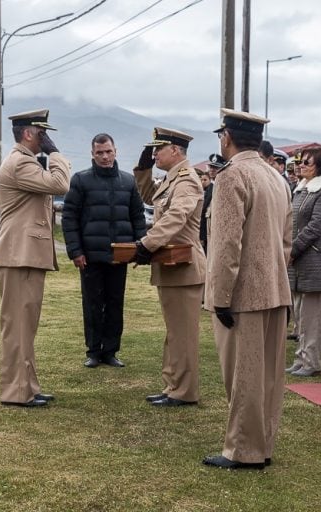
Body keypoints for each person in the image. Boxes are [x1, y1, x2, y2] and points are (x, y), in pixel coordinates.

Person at [203, 109, 292, 470]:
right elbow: (286, 242)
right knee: (268, 377)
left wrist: (220, 297)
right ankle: (262, 444)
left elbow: (226, 245)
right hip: (273, 288)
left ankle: (243, 449)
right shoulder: (275, 177)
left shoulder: (232, 176)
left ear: (226, 137)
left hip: (242, 294)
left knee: (243, 376)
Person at [0, 109, 71, 408]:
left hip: (24, 255)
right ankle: (16, 392)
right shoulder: (20, 162)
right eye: (42, 133)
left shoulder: (25, 162)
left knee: (26, 326)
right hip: (18, 256)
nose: (46, 139)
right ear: (28, 133)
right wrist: (57, 154)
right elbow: (60, 184)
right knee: (17, 327)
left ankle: (28, 386)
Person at [133, 127, 206, 407]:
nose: (154, 154)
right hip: (173, 266)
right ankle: (172, 384)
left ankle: (184, 391)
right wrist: (143, 169)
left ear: (175, 150)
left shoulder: (187, 181)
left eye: (157, 150)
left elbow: (175, 218)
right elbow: (149, 195)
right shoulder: (171, 179)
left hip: (185, 267)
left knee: (183, 334)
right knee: (174, 332)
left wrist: (146, 244)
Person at [62, 133, 146, 368]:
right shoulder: (80, 180)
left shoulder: (128, 182)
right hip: (90, 256)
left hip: (120, 256)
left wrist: (141, 248)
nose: (105, 156)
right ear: (93, 154)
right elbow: (69, 218)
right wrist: (75, 251)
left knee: (115, 303)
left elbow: (138, 217)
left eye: (108, 151)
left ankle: (110, 351)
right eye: (100, 152)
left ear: (115, 151)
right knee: (92, 304)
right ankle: (93, 351)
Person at [285, 147, 321, 377]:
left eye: (307, 162)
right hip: (299, 259)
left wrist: (293, 248)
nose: (301, 165)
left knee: (312, 315)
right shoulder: (301, 189)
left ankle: (311, 362)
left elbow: (317, 225)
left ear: (320, 166)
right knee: (300, 314)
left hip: (314, 257)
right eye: (300, 161)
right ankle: (300, 358)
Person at [197, 167, 214, 253]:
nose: (202, 182)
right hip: (203, 223)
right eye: (201, 180)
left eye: (205, 180)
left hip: (206, 223)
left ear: (210, 180)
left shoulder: (211, 190)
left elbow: (203, 207)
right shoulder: (204, 190)